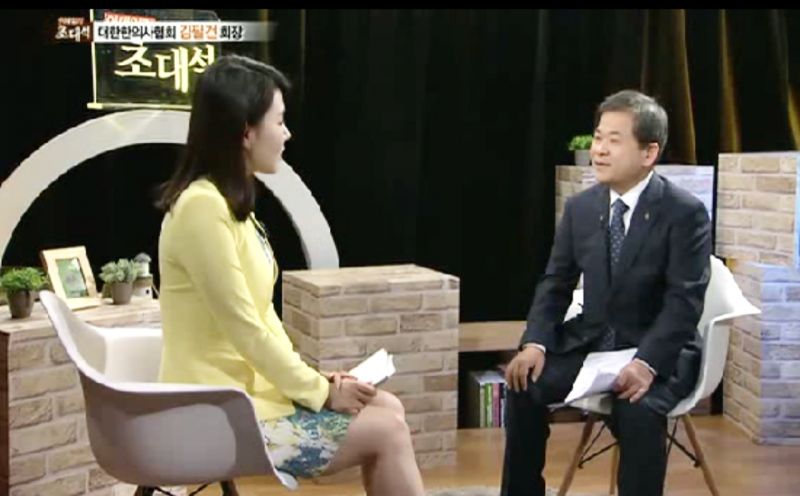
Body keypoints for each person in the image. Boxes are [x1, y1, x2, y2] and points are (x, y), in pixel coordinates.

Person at [156, 54, 425, 496]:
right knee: (387, 430)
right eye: (279, 122)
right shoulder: (201, 209)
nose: (287, 134)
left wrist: (317, 381)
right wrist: (319, 392)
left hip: (252, 394)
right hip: (218, 411)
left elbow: (263, 320)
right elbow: (246, 330)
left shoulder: (231, 206)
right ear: (246, 132)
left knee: (388, 407)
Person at [501, 90, 711, 496]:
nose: (599, 150)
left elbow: (684, 301)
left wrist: (647, 362)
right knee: (522, 382)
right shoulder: (581, 208)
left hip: (659, 351)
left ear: (649, 152)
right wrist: (536, 343)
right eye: (598, 137)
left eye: (614, 140)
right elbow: (555, 283)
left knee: (637, 409)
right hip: (594, 340)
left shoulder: (684, 213)